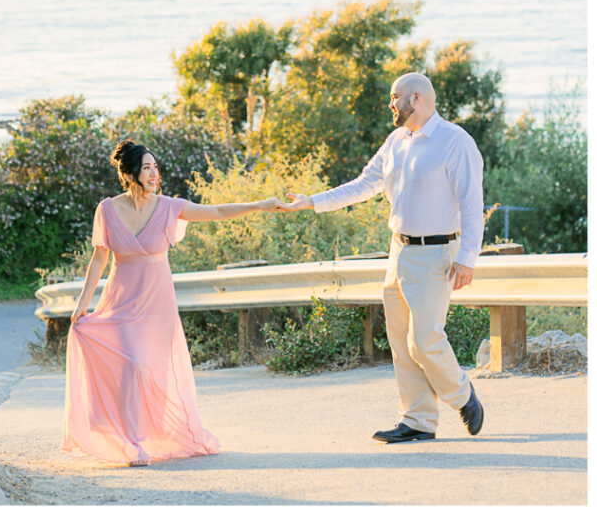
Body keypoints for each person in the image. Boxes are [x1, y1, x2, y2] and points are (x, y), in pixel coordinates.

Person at [278, 71, 485, 443]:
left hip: (437, 251)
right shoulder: (395, 142)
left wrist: (467, 257)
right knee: (400, 342)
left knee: (424, 340)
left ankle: (463, 395)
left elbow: (472, 204)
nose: (390, 104)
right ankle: (418, 420)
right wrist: (312, 202)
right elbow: (364, 185)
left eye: (395, 98)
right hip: (398, 251)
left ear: (417, 98)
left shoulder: (455, 142)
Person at [61, 139, 282, 466]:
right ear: (130, 173)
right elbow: (98, 259)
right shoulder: (107, 209)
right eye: (146, 167)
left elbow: (218, 212)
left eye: (155, 167)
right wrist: (83, 303)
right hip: (120, 299)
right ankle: (129, 441)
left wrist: (260, 204)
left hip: (157, 303)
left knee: (150, 368)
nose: (154, 173)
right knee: (131, 364)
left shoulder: (169, 206)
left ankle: (148, 435)